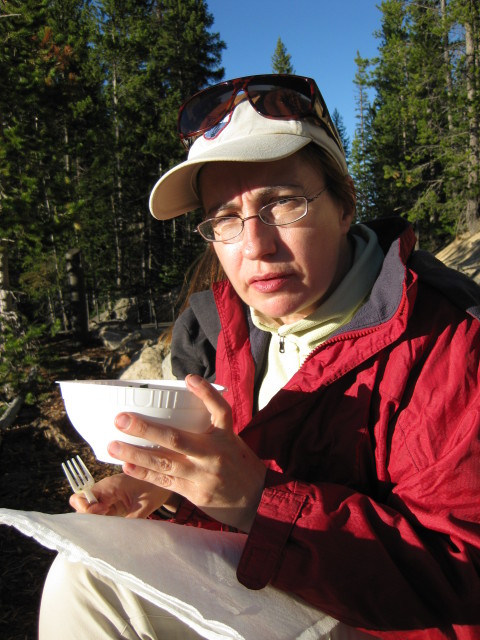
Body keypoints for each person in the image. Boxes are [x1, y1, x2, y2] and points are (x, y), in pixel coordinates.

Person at [39, 74, 480, 639]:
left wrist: (257, 501)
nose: (255, 246)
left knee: (88, 584)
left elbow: (462, 576)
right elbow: (220, 477)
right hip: (255, 587)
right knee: (84, 566)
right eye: (225, 218)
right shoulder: (214, 329)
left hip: (384, 623)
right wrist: (165, 487)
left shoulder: (449, 341)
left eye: (283, 203)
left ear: (345, 205)